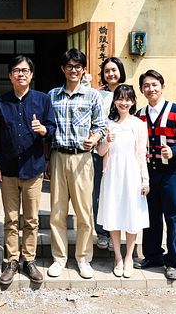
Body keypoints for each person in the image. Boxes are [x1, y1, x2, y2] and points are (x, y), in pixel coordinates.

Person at [0, 55, 56, 286]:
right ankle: (11, 260)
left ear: (31, 74)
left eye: (25, 70)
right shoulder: (0, 102)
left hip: (33, 169)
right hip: (8, 169)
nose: (21, 74)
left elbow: (52, 128)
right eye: (16, 70)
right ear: (10, 76)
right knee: (10, 219)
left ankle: (29, 260)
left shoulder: (42, 99)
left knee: (31, 219)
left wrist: (43, 130)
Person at [47, 48, 106, 279]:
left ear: (83, 70)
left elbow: (101, 125)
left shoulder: (92, 96)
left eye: (78, 66)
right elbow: (47, 128)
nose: (74, 70)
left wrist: (95, 138)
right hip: (58, 156)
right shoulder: (52, 95)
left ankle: (83, 258)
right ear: (63, 69)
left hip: (83, 158)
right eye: (69, 66)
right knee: (57, 212)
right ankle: (59, 258)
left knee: (84, 212)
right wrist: (46, 160)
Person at [134, 70, 176, 280]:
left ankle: (173, 262)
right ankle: (152, 256)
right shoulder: (139, 115)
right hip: (149, 174)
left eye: (154, 85)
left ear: (162, 87)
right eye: (146, 85)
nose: (151, 89)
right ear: (141, 90)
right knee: (150, 217)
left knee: (173, 218)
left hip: (172, 175)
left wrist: (175, 150)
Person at [97, 84, 149, 278]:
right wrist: (107, 140)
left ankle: (129, 257)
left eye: (128, 99)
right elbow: (100, 152)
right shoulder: (108, 123)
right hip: (112, 174)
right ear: (114, 101)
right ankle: (118, 257)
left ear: (133, 101)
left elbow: (141, 154)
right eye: (120, 98)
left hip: (132, 174)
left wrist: (145, 180)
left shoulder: (138, 124)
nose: (124, 102)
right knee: (114, 214)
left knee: (131, 215)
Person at [92, 57, 126, 251]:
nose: (111, 74)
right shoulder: (97, 94)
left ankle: (116, 233)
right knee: (98, 192)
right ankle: (102, 233)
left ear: (120, 71)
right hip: (100, 149)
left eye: (114, 70)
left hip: (121, 151)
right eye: (107, 71)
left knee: (118, 192)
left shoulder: (127, 92)